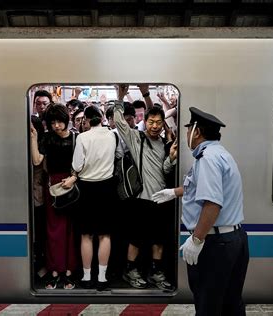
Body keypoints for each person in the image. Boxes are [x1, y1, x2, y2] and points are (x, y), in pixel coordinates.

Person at [152, 107, 249, 315]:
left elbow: (212, 203)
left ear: (196, 132)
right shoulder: (219, 153)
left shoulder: (207, 159)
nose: (185, 134)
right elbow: (196, 186)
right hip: (234, 238)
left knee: (208, 305)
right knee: (231, 303)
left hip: (215, 244)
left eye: (187, 129)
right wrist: (174, 192)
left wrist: (197, 239)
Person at [114, 84, 177, 291]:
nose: (155, 126)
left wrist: (172, 159)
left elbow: (165, 170)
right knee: (136, 239)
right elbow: (118, 122)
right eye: (151, 121)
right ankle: (131, 270)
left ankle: (156, 272)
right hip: (141, 199)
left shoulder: (163, 143)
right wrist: (121, 96)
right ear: (145, 122)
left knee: (158, 240)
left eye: (159, 122)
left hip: (160, 199)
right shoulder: (136, 138)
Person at [70, 105, 120, 291]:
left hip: (86, 189)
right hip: (107, 188)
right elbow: (118, 155)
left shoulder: (82, 137)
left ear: (87, 120)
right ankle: (102, 278)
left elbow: (77, 164)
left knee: (86, 235)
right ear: (102, 118)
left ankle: (86, 276)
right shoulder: (113, 135)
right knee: (105, 235)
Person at [30, 103, 78, 290]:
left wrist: (73, 178)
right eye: (53, 122)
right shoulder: (48, 138)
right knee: (53, 231)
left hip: (71, 185)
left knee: (70, 230)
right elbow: (36, 160)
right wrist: (34, 138)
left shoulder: (76, 138)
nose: (57, 126)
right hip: (53, 186)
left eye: (60, 122)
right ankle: (55, 271)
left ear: (67, 120)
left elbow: (82, 165)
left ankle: (69, 271)